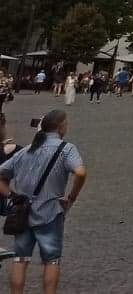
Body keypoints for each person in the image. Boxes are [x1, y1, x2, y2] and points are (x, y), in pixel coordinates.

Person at [0, 108, 87, 294]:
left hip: (22, 213)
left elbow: (1, 175)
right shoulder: (66, 149)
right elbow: (80, 172)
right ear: (62, 126)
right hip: (51, 212)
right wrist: (71, 197)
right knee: (51, 260)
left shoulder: (25, 151)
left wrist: (12, 196)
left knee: (20, 260)